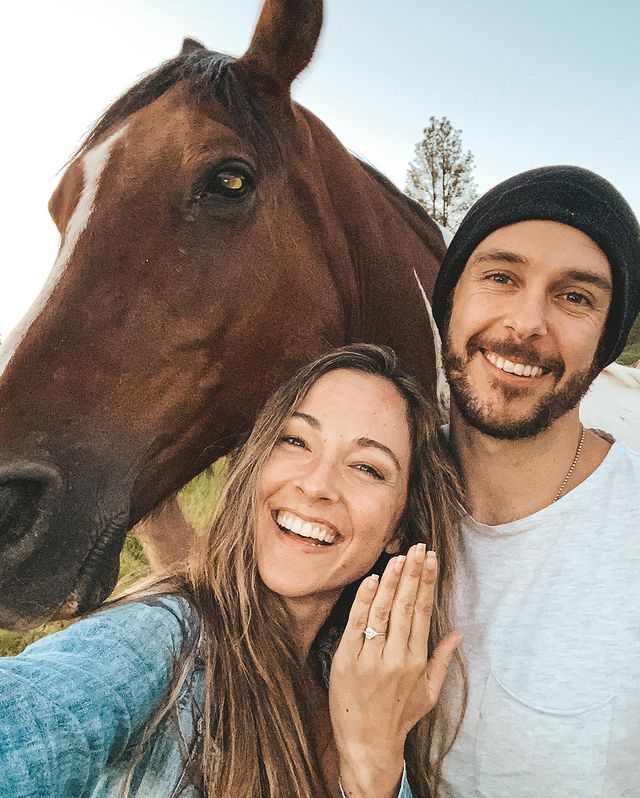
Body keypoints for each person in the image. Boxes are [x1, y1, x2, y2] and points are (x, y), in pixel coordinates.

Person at [0, 344, 464, 798]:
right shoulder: (160, 641)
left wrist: (375, 766)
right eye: (295, 441)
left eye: (366, 467)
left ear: (398, 529)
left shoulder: (365, 682)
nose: (316, 484)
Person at [430, 165, 640, 797]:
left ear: (606, 339)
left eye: (575, 297)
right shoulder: (372, 493)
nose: (526, 324)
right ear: (450, 299)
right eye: (501, 277)